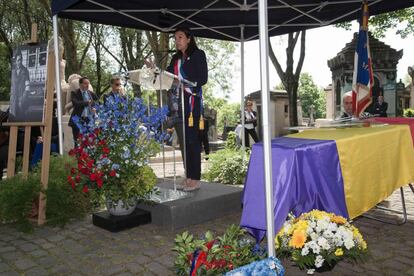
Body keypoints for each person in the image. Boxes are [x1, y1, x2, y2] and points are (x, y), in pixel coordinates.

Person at [166, 27, 208, 192]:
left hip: (191, 104)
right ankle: (189, 176)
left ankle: (196, 178)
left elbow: (202, 78)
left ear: (189, 39)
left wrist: (185, 80)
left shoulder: (198, 55)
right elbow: (168, 77)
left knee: (192, 142)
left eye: (180, 37)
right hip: (177, 105)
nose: (177, 40)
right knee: (184, 143)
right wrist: (155, 70)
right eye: (175, 38)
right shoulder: (175, 59)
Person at [69, 77, 98, 144]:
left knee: (89, 141)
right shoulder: (75, 93)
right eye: (85, 83)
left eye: (88, 83)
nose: (87, 85)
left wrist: (95, 108)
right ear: (80, 84)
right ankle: (77, 154)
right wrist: (87, 102)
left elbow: (98, 102)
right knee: (77, 141)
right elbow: (76, 103)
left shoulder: (90, 93)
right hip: (78, 119)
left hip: (88, 120)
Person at [10, 50, 30, 121]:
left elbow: (28, 87)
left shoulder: (25, 71)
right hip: (14, 99)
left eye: (21, 59)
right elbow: (11, 85)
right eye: (18, 60)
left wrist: (23, 98)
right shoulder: (12, 71)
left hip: (21, 99)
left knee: (22, 119)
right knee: (13, 119)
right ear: (15, 61)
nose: (20, 62)